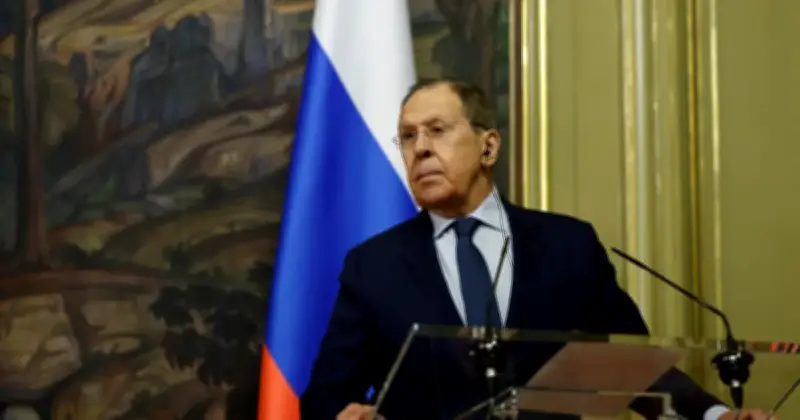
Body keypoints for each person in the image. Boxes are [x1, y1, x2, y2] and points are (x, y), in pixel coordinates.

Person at [299, 78, 775, 420]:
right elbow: (324, 396)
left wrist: (714, 415)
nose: (419, 148)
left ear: (488, 147)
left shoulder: (568, 246)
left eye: (437, 130)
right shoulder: (373, 265)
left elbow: (631, 365)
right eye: (407, 136)